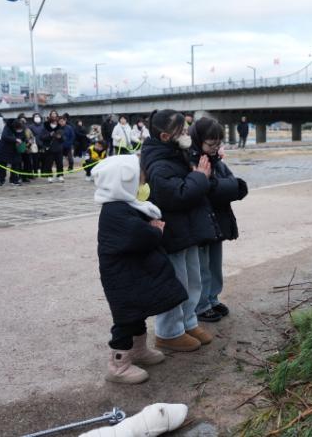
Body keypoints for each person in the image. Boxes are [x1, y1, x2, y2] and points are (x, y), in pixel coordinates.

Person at [93, 154, 188, 384]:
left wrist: (150, 228)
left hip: (130, 273)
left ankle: (138, 350)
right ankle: (118, 365)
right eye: (139, 181)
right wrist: (155, 231)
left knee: (137, 312)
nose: (142, 185)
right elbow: (137, 235)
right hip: (121, 277)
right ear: (122, 183)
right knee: (125, 320)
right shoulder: (114, 211)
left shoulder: (124, 206)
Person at [140, 109, 221, 352]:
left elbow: (196, 179)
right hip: (172, 233)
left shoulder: (177, 153)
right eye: (182, 131)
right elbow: (176, 195)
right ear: (165, 136)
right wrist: (200, 177)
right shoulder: (159, 163)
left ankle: (188, 322)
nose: (187, 134)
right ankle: (169, 332)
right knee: (175, 284)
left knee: (192, 281)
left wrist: (206, 169)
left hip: (186, 230)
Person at [189, 118, 248, 322]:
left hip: (217, 220)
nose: (215, 148)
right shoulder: (190, 161)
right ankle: (201, 305)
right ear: (198, 140)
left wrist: (218, 185)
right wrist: (223, 187)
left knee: (215, 264)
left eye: (218, 143)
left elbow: (234, 185)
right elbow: (204, 189)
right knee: (201, 267)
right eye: (211, 144)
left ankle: (212, 298)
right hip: (200, 222)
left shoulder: (216, 161)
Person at [0, 118, 26, 186]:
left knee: (16, 164)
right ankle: (1, 180)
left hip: (15, 150)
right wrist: (15, 139)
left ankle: (14, 180)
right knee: (2, 166)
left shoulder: (22, 127)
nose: (19, 130)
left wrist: (21, 140)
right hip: (4, 150)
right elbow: (5, 136)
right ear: (14, 127)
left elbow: (23, 136)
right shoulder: (8, 127)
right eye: (17, 129)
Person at [41, 110, 65, 183]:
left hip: (58, 148)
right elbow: (42, 137)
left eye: (55, 115)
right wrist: (49, 135)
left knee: (60, 163)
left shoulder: (60, 127)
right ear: (50, 117)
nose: (54, 116)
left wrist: (60, 137)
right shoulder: (45, 126)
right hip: (49, 148)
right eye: (52, 115)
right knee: (49, 163)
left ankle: (60, 175)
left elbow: (63, 139)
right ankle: (49, 176)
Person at [28, 113, 46, 177]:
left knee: (43, 159)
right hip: (34, 145)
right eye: (35, 116)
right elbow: (29, 136)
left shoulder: (44, 125)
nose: (37, 118)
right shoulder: (30, 126)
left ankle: (43, 173)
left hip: (43, 145)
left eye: (38, 116)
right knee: (35, 160)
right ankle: (35, 173)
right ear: (33, 118)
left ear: (40, 117)